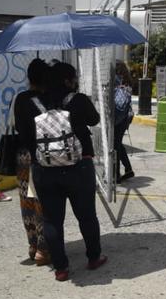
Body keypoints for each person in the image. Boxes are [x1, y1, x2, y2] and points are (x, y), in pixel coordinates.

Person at [24, 61, 106, 282]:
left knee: (51, 220)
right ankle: (93, 257)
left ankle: (61, 268)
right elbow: (95, 119)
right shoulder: (77, 99)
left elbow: (24, 133)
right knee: (87, 215)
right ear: (68, 80)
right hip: (79, 167)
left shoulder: (29, 102)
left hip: (44, 169)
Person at [12, 58, 50, 265]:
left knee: (26, 201)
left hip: (22, 155)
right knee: (41, 202)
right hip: (42, 155)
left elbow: (16, 126)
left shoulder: (20, 98)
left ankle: (32, 244)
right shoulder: (47, 100)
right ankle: (43, 249)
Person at [113, 61, 135, 183]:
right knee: (118, 143)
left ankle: (116, 175)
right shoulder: (127, 82)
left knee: (115, 145)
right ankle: (128, 168)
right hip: (125, 117)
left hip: (116, 116)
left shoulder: (116, 81)